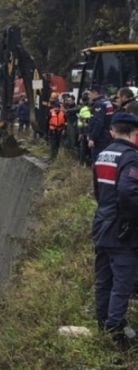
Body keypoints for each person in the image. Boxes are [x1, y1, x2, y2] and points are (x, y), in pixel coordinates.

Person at [92, 112, 138, 350]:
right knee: (123, 281)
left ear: (113, 131)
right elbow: (129, 192)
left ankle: (102, 322)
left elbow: (98, 192)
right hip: (122, 230)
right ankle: (116, 329)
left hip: (102, 223)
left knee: (104, 279)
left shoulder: (103, 155)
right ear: (134, 132)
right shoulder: (131, 157)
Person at [87, 84, 115, 164]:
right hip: (107, 135)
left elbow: (98, 122)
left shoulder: (99, 104)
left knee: (97, 162)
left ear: (95, 93)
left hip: (100, 138)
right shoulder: (108, 102)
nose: (89, 96)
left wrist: (92, 138)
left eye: (90, 93)